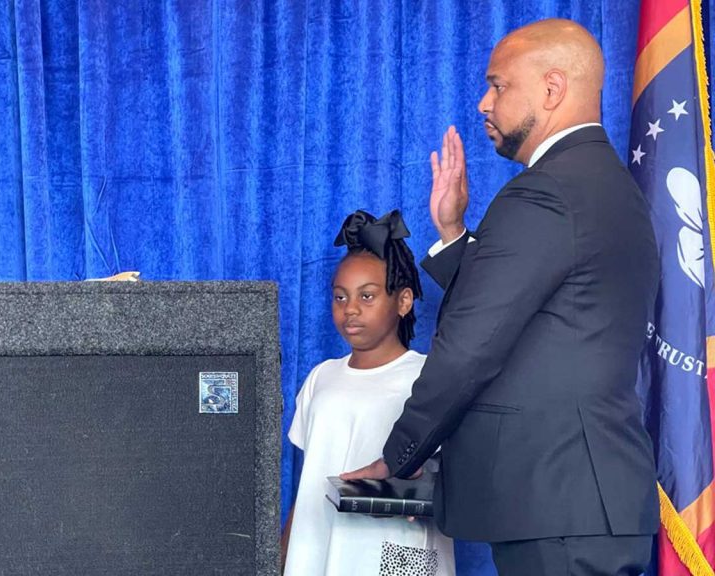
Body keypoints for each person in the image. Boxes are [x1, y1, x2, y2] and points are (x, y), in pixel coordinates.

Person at [342, 19, 659, 575]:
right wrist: (453, 234)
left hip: (555, 507)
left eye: (498, 85)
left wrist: (400, 458)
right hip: (587, 504)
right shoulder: (609, 185)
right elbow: (527, 315)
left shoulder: (544, 193)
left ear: (552, 89)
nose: (485, 102)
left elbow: (471, 344)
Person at [282, 210, 454, 576]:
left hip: (395, 552)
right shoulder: (321, 377)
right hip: (319, 545)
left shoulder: (428, 377)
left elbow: (452, 475)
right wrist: (283, 554)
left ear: (404, 301)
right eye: (340, 297)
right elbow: (309, 479)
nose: (351, 310)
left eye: (368, 296)